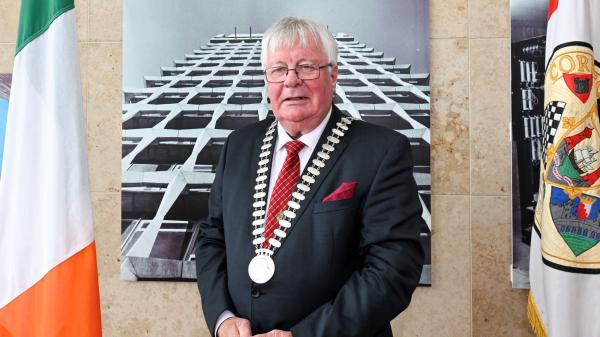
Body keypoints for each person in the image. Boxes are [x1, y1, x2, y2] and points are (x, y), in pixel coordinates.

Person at [195, 16, 424, 337]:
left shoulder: (382, 151)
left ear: (333, 76)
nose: (291, 81)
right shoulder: (238, 145)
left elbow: (393, 268)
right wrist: (222, 318)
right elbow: (211, 238)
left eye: (306, 67)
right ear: (267, 81)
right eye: (278, 70)